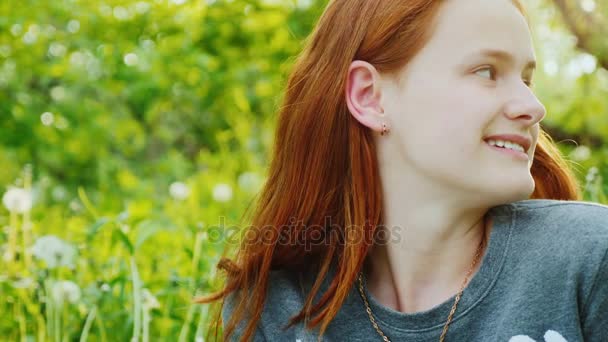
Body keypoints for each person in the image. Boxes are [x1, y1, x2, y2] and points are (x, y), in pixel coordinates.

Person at [195, 0, 608, 341]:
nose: (534, 108)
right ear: (370, 97)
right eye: (487, 71)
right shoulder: (273, 310)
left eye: (526, 79)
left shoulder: (589, 258)